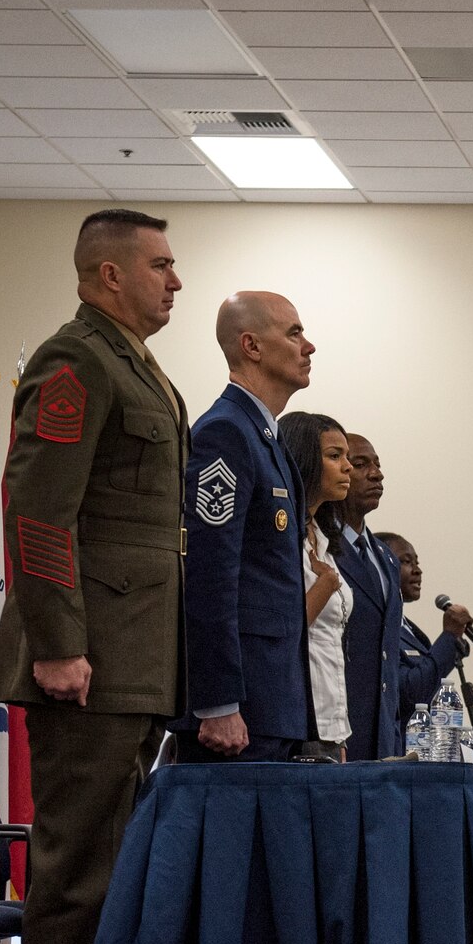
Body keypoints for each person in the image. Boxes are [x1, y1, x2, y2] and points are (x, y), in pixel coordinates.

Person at [0, 207, 187, 944]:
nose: (174, 281)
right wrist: (62, 643)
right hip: (89, 661)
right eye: (159, 265)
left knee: (109, 876)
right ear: (108, 275)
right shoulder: (74, 362)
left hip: (133, 659)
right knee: (72, 880)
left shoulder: (135, 365)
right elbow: (39, 509)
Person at [173, 292, 315, 762]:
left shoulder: (265, 438)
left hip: (272, 703)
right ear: (251, 346)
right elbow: (210, 573)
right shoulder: (226, 433)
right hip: (239, 711)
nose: (308, 346)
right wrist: (217, 701)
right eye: (294, 333)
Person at [279, 411, 355, 756]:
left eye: (347, 457)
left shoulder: (322, 537)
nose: (347, 467)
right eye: (335, 456)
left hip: (329, 723)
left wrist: (338, 733)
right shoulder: (279, 536)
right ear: (305, 459)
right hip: (292, 717)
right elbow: (281, 629)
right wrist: (323, 588)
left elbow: (328, 643)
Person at [337, 434, 406, 760]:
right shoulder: (319, 548)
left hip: (384, 736)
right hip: (338, 732)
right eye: (362, 465)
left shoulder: (386, 557)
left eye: (377, 465)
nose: (377, 474)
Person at [373, 529, 473, 724]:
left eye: (417, 563)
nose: (418, 570)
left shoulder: (413, 632)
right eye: (406, 561)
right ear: (380, 566)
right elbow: (412, 692)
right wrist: (448, 637)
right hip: (398, 746)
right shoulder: (379, 627)